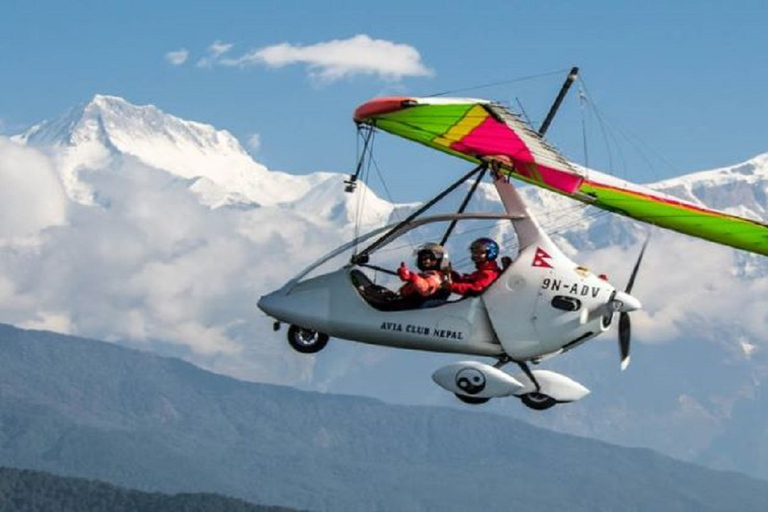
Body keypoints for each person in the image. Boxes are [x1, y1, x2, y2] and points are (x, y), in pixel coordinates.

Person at [395, 243, 452, 308]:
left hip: (418, 309)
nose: (427, 261)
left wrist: (412, 277)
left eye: (432, 258)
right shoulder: (424, 276)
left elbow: (427, 287)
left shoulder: (437, 276)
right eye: (423, 258)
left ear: (439, 260)